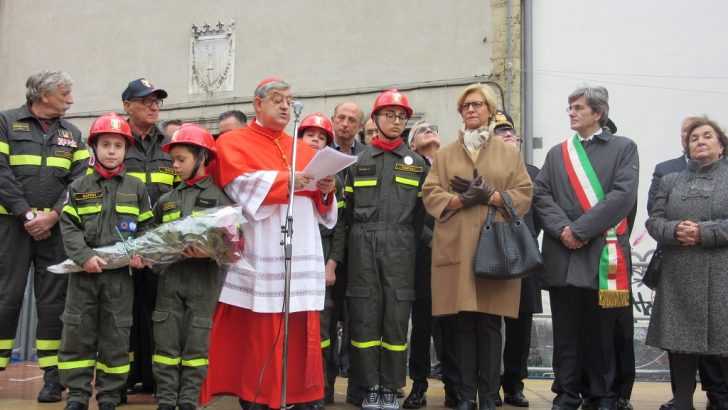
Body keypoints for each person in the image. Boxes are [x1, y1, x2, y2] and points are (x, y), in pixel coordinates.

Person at [199, 77, 337, 409]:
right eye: (277, 99)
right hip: (262, 247)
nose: (286, 105)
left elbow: (323, 210)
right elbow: (240, 188)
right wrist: (289, 180)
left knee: (300, 323)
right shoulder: (233, 142)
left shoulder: (303, 149)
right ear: (257, 104)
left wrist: (325, 189)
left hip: (301, 246)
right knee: (261, 325)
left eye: (289, 100)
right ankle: (260, 394)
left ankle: (302, 395)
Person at [422, 83, 532, 410]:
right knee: (463, 323)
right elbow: (431, 194)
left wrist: (491, 196)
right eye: (465, 106)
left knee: (490, 323)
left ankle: (489, 395)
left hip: (494, 249)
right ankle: (466, 396)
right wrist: (460, 199)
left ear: (490, 110)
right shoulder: (444, 154)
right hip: (456, 248)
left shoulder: (509, 153)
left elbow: (524, 194)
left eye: (477, 105)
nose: (470, 110)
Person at [534, 86, 639, 410]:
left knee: (603, 334)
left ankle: (603, 394)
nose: (572, 113)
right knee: (565, 333)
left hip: (602, 257)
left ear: (598, 113)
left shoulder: (624, 148)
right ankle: (566, 393)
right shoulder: (557, 153)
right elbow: (542, 195)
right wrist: (564, 230)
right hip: (563, 256)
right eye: (569, 108)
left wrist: (578, 230)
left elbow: (622, 196)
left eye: (579, 107)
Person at [0, 69, 89, 403]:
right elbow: (1, 173)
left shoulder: (73, 133)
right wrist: (26, 214)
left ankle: (53, 379)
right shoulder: (6, 122)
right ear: (43, 95)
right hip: (11, 226)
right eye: (65, 93)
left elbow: (79, 181)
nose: (71, 100)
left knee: (54, 305)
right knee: (4, 297)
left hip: (54, 229)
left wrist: (52, 216)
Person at [58, 112, 151, 410]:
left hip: (119, 278)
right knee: (77, 332)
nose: (111, 151)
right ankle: (77, 393)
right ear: (93, 148)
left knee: (116, 333)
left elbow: (147, 228)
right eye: (106, 144)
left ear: (126, 149)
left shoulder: (136, 188)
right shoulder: (79, 187)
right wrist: (84, 256)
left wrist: (141, 253)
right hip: (83, 275)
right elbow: (69, 227)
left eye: (118, 145)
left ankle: (110, 394)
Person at [344, 89, 427, 410]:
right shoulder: (357, 162)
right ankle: (370, 386)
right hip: (362, 244)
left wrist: (404, 241)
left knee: (395, 316)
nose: (396, 121)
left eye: (402, 116)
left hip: (401, 247)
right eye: (389, 115)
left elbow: (423, 215)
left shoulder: (417, 163)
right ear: (375, 120)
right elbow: (346, 212)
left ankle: (391, 387)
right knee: (364, 317)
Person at [646, 116, 728, 410]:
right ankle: (682, 403)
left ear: (721, 145)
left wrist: (704, 232)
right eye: (694, 138)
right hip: (679, 276)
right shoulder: (670, 180)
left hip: (722, 276)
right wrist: (675, 230)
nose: (700, 142)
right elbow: (654, 221)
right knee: (680, 346)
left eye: (707, 136)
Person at [151, 124, 232, 410]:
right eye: (173, 160)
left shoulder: (221, 199)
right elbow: (152, 238)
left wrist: (209, 251)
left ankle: (188, 399)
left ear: (202, 158)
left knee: (196, 341)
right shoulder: (166, 200)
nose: (175, 166)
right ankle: (166, 397)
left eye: (181, 159)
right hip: (170, 278)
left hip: (203, 279)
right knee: (166, 339)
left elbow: (232, 242)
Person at [121, 77, 174, 395]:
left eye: (157, 101)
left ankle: (153, 376)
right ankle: (124, 376)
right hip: (124, 243)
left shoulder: (168, 146)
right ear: (128, 106)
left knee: (156, 311)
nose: (154, 106)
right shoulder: (114, 140)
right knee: (123, 312)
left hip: (160, 245)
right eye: (146, 101)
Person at [487, 110, 543, 408]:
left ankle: (514, 384)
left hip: (524, 254)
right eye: (500, 131)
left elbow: (543, 214)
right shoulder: (483, 171)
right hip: (491, 252)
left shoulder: (534, 173)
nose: (508, 135)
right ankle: (490, 385)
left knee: (521, 324)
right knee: (490, 322)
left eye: (510, 131)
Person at [297, 113, 347, 405]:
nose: (315, 141)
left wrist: (332, 264)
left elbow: (338, 226)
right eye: (309, 135)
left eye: (321, 137)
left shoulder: (332, 180)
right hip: (296, 262)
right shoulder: (290, 170)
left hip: (321, 262)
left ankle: (322, 390)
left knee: (323, 332)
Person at [402, 120, 447, 409]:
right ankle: (418, 386)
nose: (428, 130)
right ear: (412, 145)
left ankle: (454, 385)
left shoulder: (454, 162)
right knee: (421, 327)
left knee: (452, 328)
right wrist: (432, 239)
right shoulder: (410, 166)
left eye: (432, 127)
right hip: (423, 257)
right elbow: (406, 210)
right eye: (420, 130)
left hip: (454, 259)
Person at [330, 101, 366, 405]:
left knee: (358, 320)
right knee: (327, 321)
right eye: (341, 118)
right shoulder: (318, 153)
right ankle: (324, 386)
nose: (345, 123)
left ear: (360, 126)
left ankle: (357, 386)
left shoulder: (367, 156)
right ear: (333, 120)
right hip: (328, 252)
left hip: (361, 252)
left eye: (352, 119)